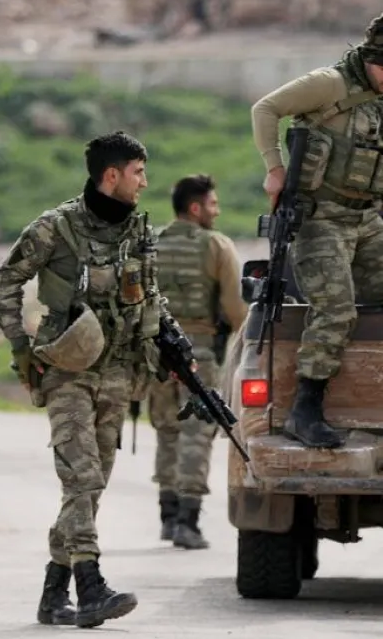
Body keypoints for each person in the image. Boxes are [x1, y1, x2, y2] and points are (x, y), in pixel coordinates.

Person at [0, 131, 170, 628]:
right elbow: (7, 282)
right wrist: (20, 347)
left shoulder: (137, 230)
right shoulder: (56, 228)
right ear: (110, 175)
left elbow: (152, 297)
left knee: (89, 490)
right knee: (81, 477)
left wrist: (168, 346)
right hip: (67, 370)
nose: (144, 182)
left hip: (117, 370)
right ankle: (91, 587)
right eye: (137, 173)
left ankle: (53, 594)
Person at [250, 11, 383, 448]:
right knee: (334, 309)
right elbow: (265, 109)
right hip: (321, 219)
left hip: (366, 218)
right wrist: (274, 170)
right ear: (367, 58)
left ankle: (376, 392)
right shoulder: (328, 84)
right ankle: (305, 409)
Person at [148, 173, 249, 549]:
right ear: (195, 207)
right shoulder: (215, 246)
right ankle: (187, 521)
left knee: (166, 429)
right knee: (197, 432)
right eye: (212, 204)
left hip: (155, 353)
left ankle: (167, 513)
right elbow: (236, 309)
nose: (217, 210)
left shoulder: (149, 245)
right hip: (200, 352)